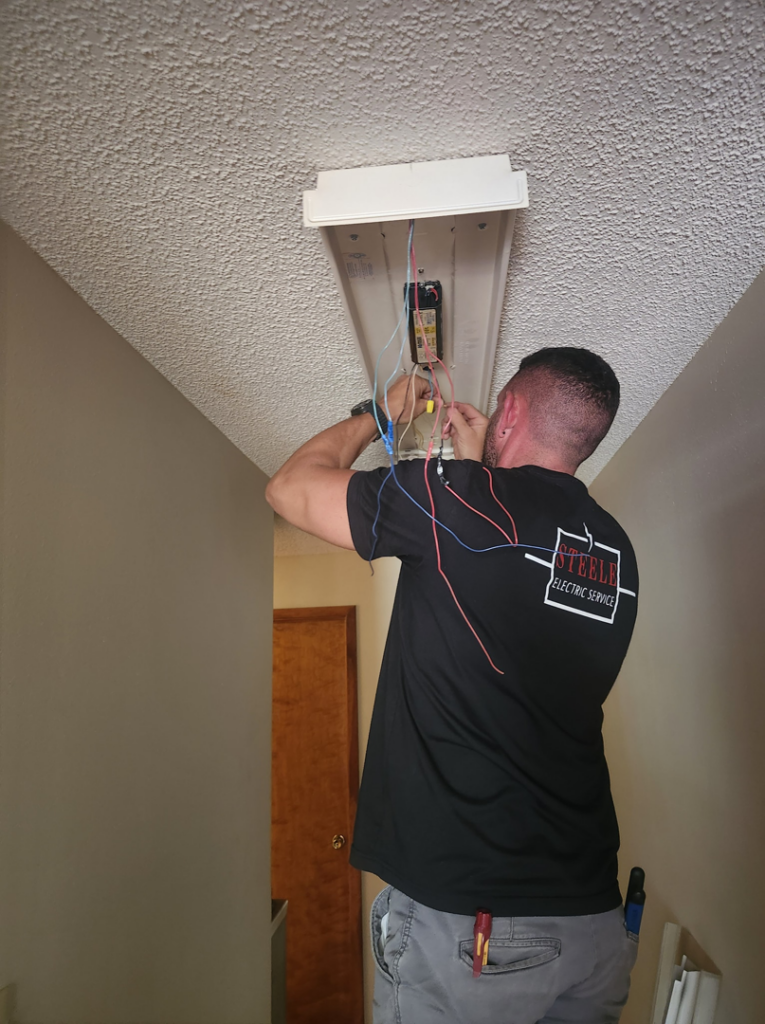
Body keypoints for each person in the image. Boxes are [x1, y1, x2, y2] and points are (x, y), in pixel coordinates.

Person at [266, 347, 639, 1024]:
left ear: (512, 412)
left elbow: (289, 489)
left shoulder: (455, 502)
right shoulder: (613, 549)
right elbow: (510, 596)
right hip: (591, 919)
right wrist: (466, 477)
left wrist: (381, 412)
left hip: (478, 929)